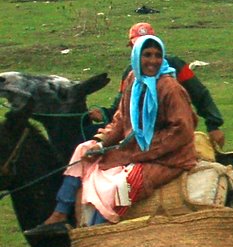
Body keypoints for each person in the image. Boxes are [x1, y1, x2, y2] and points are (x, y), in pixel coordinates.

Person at [30, 34, 198, 234]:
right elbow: (120, 119)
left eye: (157, 55)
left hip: (169, 157)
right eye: (147, 55)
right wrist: (101, 142)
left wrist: (141, 150)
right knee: (83, 149)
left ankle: (97, 235)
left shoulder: (171, 88)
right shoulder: (134, 79)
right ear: (136, 56)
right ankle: (60, 213)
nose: (153, 61)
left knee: (119, 186)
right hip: (137, 149)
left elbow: (181, 131)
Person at [93, 22, 225, 154]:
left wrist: (213, 125)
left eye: (156, 53)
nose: (152, 61)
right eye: (144, 51)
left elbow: (198, 95)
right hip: (141, 141)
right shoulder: (131, 76)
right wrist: (103, 118)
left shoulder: (172, 79)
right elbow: (122, 109)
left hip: (166, 145)